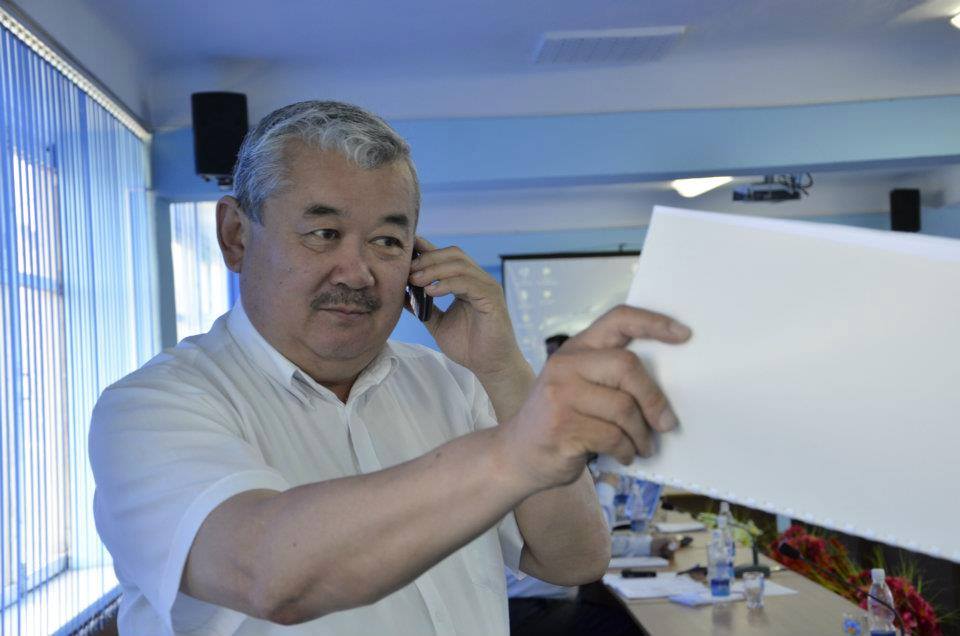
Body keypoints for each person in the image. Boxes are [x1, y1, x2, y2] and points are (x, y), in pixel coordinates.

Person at [89, 100, 692, 635]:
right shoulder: (154, 406)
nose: (358, 273)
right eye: (324, 233)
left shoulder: (453, 384)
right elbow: (267, 574)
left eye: (387, 242)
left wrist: (503, 369)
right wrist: (516, 452)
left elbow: (574, 560)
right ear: (236, 237)